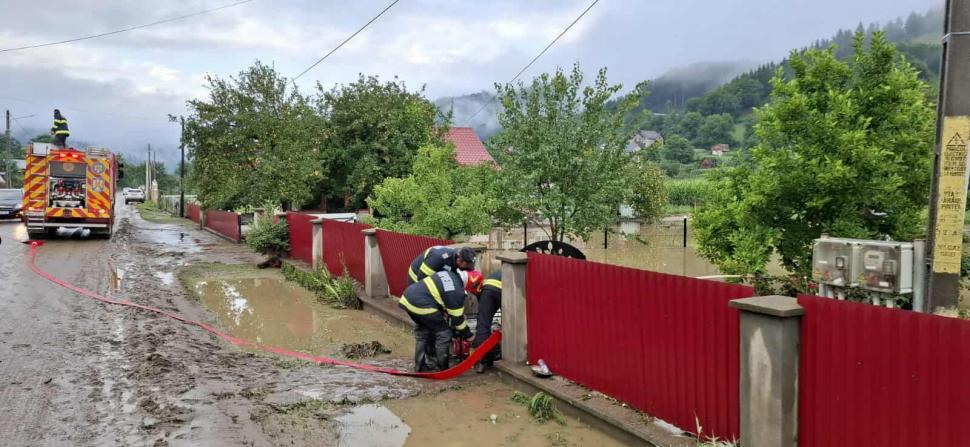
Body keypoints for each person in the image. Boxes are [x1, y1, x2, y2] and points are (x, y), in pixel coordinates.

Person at [398, 269, 479, 372]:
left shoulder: (450, 274)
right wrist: (469, 335)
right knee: (444, 334)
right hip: (422, 304)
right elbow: (458, 321)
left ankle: (419, 366)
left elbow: (439, 294)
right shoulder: (457, 292)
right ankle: (443, 368)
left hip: (407, 298)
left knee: (423, 332)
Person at [472, 270, 502, 373]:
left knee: (483, 325)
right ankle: (503, 355)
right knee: (511, 325)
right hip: (505, 290)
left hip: (488, 289)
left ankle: (481, 361)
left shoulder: (491, 276)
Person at [407, 246, 476, 285]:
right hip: (416, 276)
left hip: (434, 273)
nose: (468, 268)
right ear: (459, 260)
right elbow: (422, 278)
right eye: (467, 266)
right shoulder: (438, 258)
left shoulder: (458, 258)